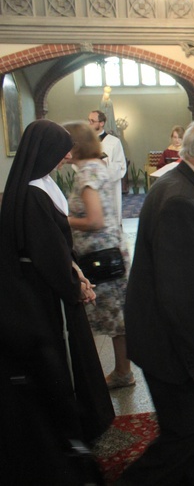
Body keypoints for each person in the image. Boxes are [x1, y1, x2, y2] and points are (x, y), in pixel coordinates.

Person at [120, 115, 194, 484]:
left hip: (173, 343)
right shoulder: (180, 199)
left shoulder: (185, 184)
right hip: (171, 348)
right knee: (187, 433)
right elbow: (179, 293)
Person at [0, 120, 114, 483]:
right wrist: (73, 285)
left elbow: (56, 245)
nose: (68, 154)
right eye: (62, 148)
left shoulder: (43, 184)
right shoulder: (33, 192)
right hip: (44, 292)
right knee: (62, 354)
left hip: (57, 278)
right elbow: (45, 251)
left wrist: (76, 272)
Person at [64, 121, 133, 390]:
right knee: (116, 316)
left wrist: (63, 219)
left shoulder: (87, 173)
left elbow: (94, 220)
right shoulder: (94, 167)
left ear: (75, 146)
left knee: (114, 316)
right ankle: (122, 371)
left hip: (99, 256)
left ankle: (121, 373)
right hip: (107, 252)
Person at [88, 110, 126, 224]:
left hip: (109, 186)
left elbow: (121, 166)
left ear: (101, 123)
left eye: (92, 121)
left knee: (109, 220)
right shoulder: (85, 142)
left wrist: (106, 164)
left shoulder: (114, 142)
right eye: (88, 120)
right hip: (90, 185)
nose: (89, 124)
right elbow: (77, 164)